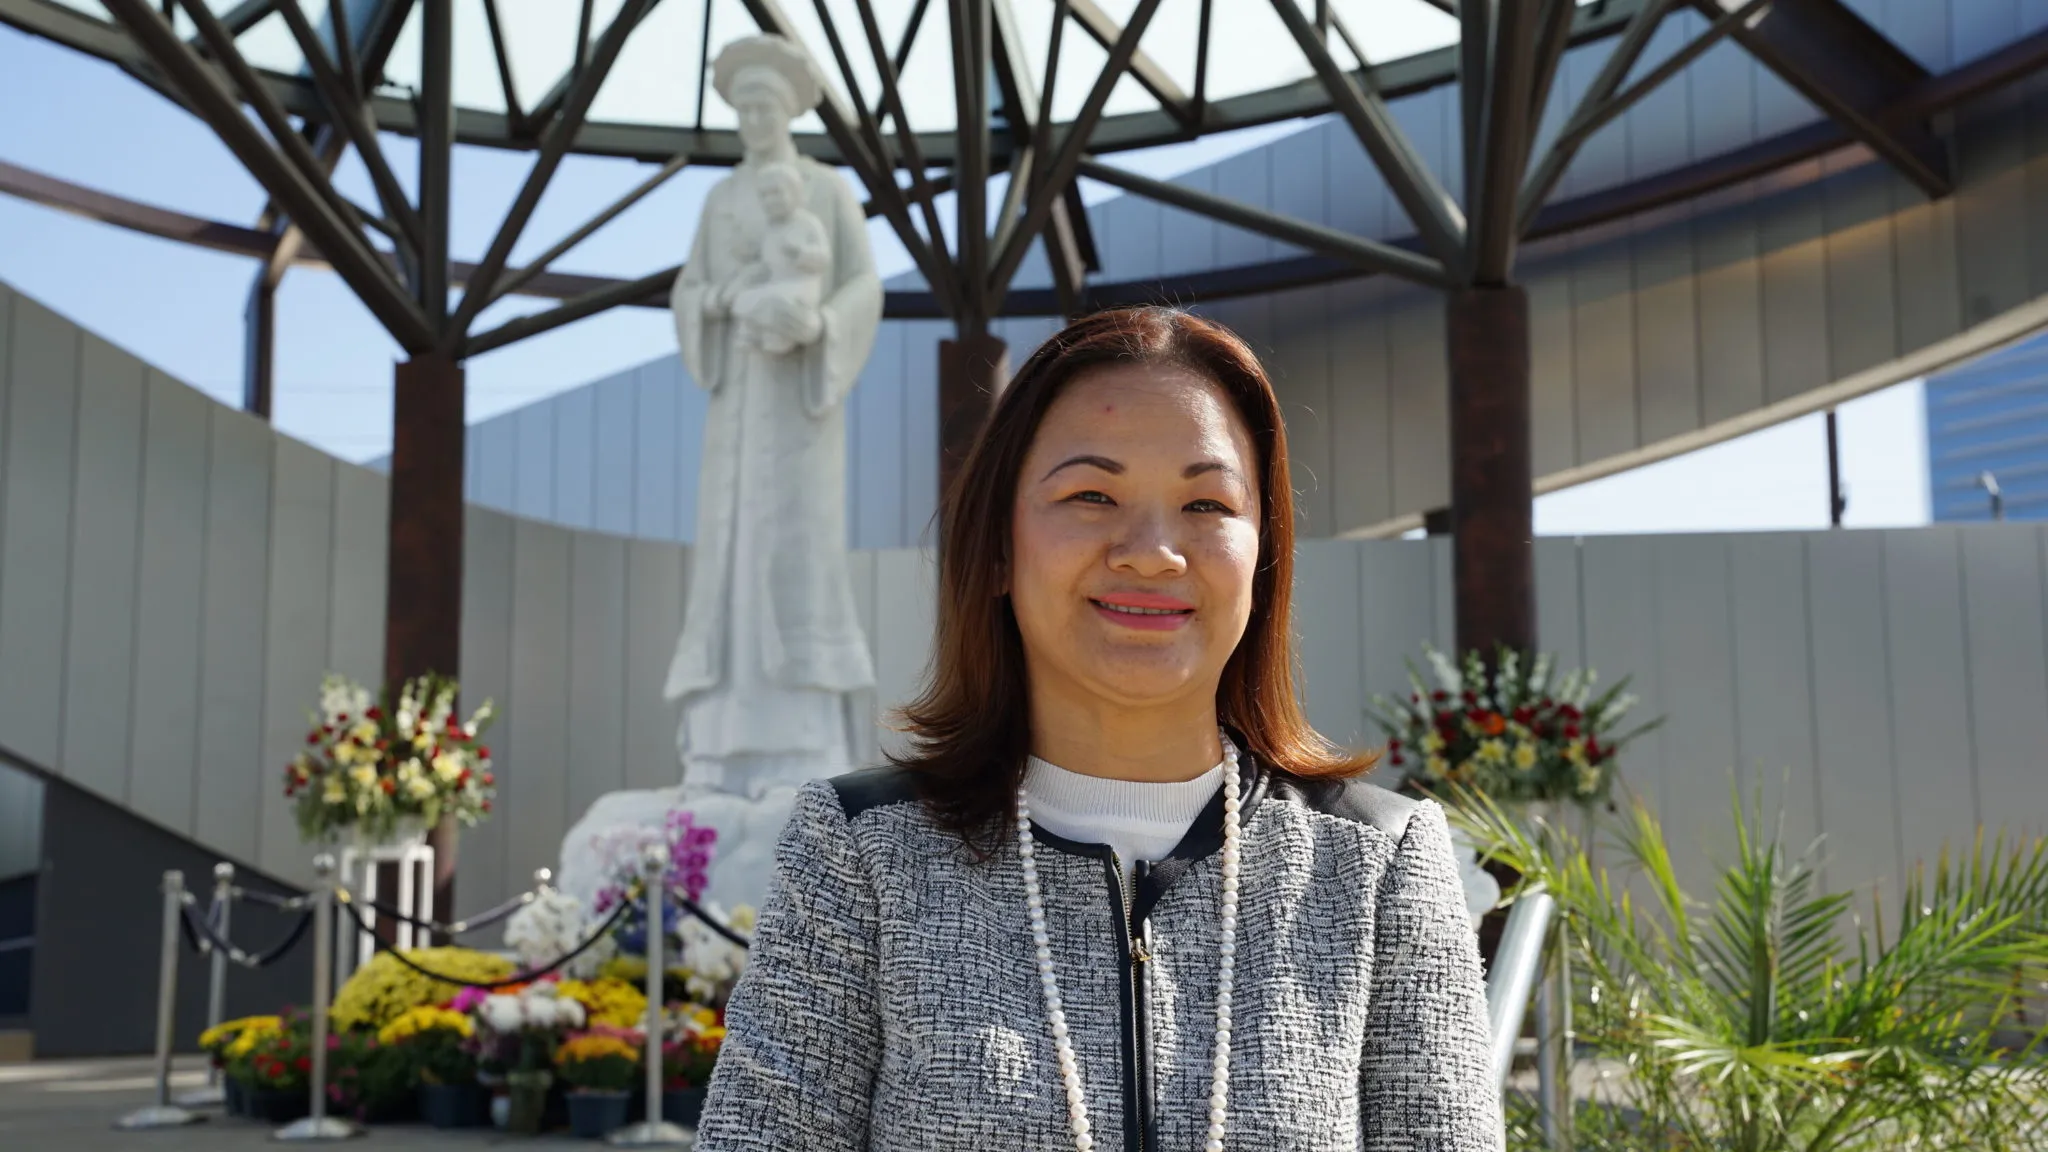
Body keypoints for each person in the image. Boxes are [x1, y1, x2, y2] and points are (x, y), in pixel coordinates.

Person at [693, 307, 1503, 1151]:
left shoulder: (1377, 863)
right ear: (999, 548)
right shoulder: (862, 850)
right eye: (1091, 494)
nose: (1153, 551)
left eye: (1206, 501)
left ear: (1263, 555)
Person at [730, 161, 833, 356]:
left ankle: (778, 337)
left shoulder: (807, 223)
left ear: (794, 192)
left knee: (776, 302)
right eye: (765, 196)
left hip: (801, 285)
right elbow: (767, 264)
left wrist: (801, 253)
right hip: (777, 284)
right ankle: (752, 332)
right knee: (745, 299)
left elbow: (823, 257)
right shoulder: (771, 230)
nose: (771, 201)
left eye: (776, 193)